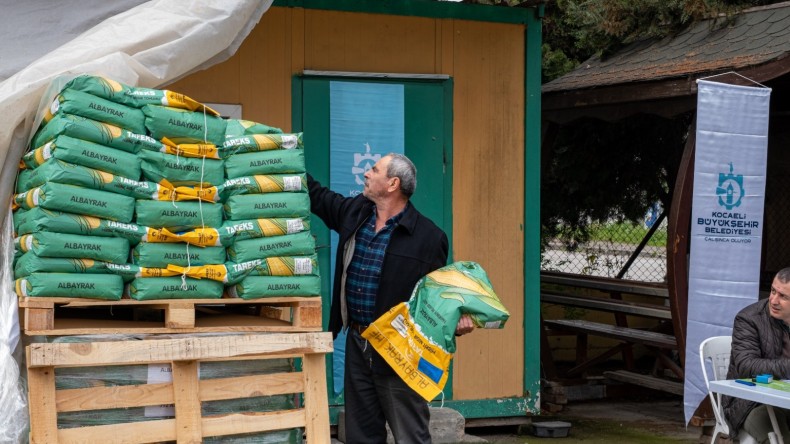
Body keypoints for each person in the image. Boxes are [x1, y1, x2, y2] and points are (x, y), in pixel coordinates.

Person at [308, 153, 474, 443]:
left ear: (392, 183)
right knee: (361, 435)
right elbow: (319, 197)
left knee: (410, 435)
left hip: (399, 351)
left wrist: (458, 319)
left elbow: (439, 297)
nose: (367, 174)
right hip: (358, 343)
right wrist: (289, 166)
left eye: (374, 170)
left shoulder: (429, 237)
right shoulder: (356, 213)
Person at [724, 267, 790, 443]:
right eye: (773, 291)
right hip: (751, 403)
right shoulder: (749, 319)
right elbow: (746, 365)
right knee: (779, 438)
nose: (774, 300)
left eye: (783, 296)